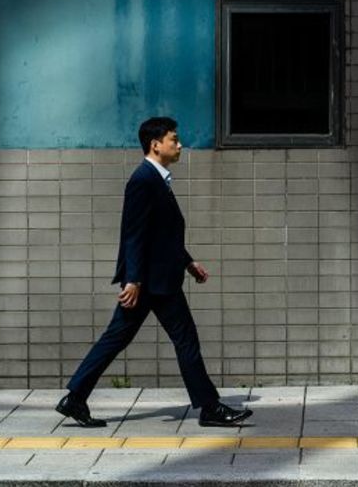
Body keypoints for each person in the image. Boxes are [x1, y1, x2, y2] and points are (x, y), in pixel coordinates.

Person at [56, 116, 252, 428]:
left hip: (155, 279)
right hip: (151, 282)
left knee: (116, 339)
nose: (180, 145)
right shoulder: (142, 181)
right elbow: (134, 234)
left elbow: (161, 234)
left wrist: (187, 262)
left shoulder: (155, 179)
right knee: (184, 340)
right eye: (174, 139)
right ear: (155, 144)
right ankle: (210, 408)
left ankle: (75, 398)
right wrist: (133, 279)